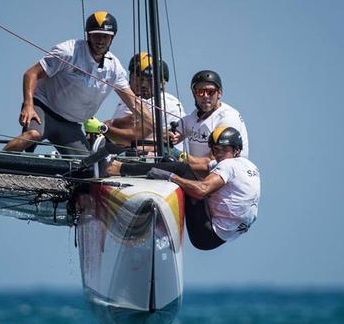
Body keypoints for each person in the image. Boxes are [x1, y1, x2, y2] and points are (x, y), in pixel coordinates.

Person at [3, 11, 152, 157]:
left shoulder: (115, 68)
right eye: (96, 35)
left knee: (84, 165)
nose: (100, 41)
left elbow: (132, 101)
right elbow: (31, 74)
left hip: (71, 124)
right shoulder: (68, 51)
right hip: (43, 108)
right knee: (33, 135)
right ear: (88, 35)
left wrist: (152, 122)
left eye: (105, 37)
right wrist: (28, 105)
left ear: (112, 38)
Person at [107, 126, 260, 250]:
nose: (218, 154)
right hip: (223, 236)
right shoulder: (248, 166)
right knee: (178, 166)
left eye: (223, 149)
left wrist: (171, 176)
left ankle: (119, 168)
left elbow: (201, 191)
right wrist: (169, 160)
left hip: (206, 235)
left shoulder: (228, 165)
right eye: (215, 150)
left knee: (180, 171)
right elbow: (199, 167)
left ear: (236, 150)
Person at [93, 52, 185, 150]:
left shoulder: (165, 102)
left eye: (150, 79)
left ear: (162, 83)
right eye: (138, 78)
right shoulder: (126, 102)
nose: (143, 84)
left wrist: (101, 128)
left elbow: (132, 137)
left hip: (158, 161)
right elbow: (117, 128)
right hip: (132, 157)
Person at [170, 70, 249, 159]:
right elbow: (169, 135)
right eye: (200, 91)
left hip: (224, 171)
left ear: (219, 93)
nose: (205, 96)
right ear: (194, 94)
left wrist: (180, 156)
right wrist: (169, 136)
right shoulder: (192, 117)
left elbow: (212, 161)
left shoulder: (227, 117)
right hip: (198, 171)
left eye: (210, 92)